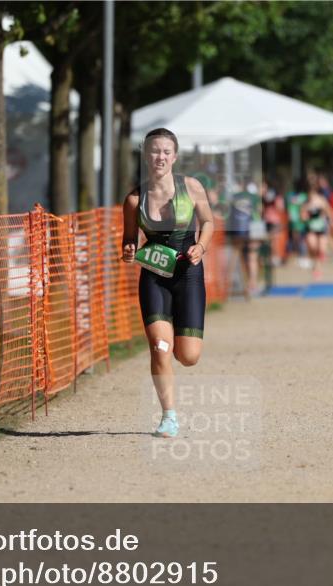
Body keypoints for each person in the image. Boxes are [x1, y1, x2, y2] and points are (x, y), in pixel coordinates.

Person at [122, 128, 215, 438]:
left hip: (188, 274)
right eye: (154, 151)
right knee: (160, 348)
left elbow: (208, 223)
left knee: (188, 356)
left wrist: (200, 247)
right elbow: (128, 239)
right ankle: (168, 417)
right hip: (154, 277)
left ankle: (178, 343)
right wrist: (128, 249)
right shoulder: (135, 199)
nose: (159, 157)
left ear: (174, 156)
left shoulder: (192, 187)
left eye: (165, 151)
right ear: (145, 155)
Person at [301, 178, 333, 279]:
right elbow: (302, 217)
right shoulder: (305, 203)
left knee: (321, 249)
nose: (310, 195)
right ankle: (315, 265)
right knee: (313, 247)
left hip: (322, 227)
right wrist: (305, 216)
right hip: (311, 228)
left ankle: (318, 268)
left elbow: (329, 211)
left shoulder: (321, 200)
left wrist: (332, 221)